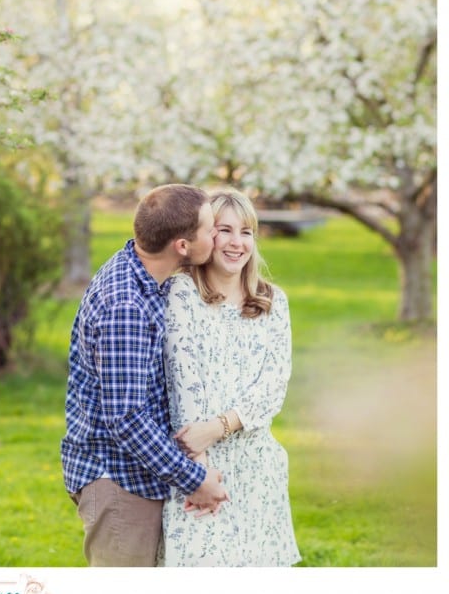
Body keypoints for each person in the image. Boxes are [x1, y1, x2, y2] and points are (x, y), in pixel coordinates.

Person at [61, 183, 230, 567]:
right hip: (118, 481)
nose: (217, 235)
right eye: (210, 229)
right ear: (182, 246)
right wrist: (194, 479)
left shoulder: (143, 274)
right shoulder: (127, 306)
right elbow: (127, 419)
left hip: (136, 475)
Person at [159, 188, 301, 566]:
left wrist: (220, 425)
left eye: (247, 232)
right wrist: (200, 465)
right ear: (205, 236)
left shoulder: (273, 301)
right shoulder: (181, 293)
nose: (237, 243)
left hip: (258, 466)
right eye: (224, 230)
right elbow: (182, 380)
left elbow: (273, 387)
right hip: (200, 466)